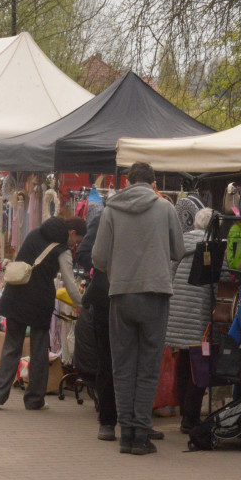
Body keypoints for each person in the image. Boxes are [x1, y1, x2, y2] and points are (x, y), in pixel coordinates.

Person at [92, 162, 184, 455]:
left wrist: (118, 269)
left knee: (122, 366)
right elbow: (178, 251)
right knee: (148, 366)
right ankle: (141, 435)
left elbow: (97, 258)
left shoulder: (110, 210)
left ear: (129, 181)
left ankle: (125, 433)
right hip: (155, 293)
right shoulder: (165, 209)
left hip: (121, 293)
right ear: (154, 183)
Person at [0, 217, 84, 411]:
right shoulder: (62, 250)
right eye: (77, 240)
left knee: (11, 346)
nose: (75, 244)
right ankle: (34, 400)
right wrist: (82, 304)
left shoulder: (35, 233)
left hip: (15, 295)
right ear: (71, 233)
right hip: (39, 302)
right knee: (39, 351)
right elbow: (70, 283)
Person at [74, 201, 118, 441]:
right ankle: (108, 420)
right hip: (106, 298)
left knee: (137, 361)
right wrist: (107, 269)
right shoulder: (103, 218)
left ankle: (136, 421)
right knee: (107, 360)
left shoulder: (157, 214)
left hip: (135, 297)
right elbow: (84, 254)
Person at [167, 202, 212, 434]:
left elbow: (170, 274)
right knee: (199, 367)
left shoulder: (180, 244)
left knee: (184, 364)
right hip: (199, 314)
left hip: (177, 312)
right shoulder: (212, 247)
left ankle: (184, 412)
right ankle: (191, 418)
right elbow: (220, 277)